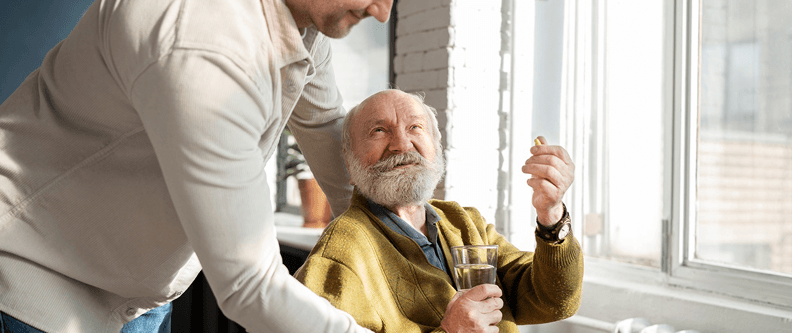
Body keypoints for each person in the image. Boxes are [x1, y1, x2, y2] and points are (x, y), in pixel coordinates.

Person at [0, 0, 392, 332]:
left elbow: (326, 129)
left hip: (135, 297)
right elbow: (250, 284)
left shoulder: (301, 24)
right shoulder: (200, 41)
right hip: (35, 281)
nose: (382, 12)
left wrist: (413, 249)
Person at [295, 89, 584, 333]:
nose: (402, 144)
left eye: (415, 128)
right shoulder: (342, 250)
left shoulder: (464, 222)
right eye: (379, 131)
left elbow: (554, 299)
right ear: (349, 163)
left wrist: (551, 214)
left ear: (436, 147)